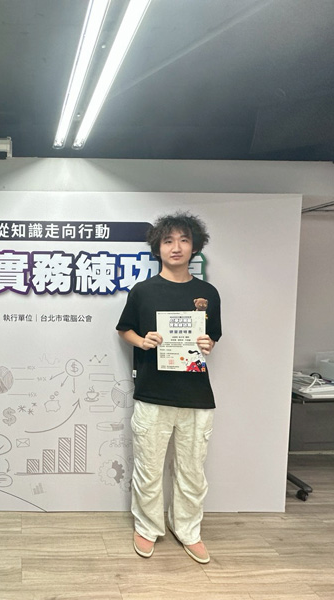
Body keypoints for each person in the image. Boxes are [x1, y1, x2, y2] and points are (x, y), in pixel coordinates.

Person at [116, 212, 221, 564]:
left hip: (196, 396)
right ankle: (147, 527)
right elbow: (124, 330)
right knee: (148, 468)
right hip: (152, 393)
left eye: (184, 240)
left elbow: (213, 337)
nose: (176, 247)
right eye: (168, 241)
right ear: (158, 248)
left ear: (195, 247)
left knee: (192, 471)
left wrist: (207, 344)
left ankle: (188, 530)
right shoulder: (143, 291)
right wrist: (143, 342)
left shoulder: (208, 293)